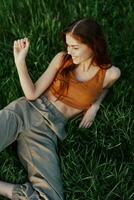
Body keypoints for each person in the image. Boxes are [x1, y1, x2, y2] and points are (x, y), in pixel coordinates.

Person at [0, 17, 121, 200]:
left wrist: (94, 106)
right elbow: (32, 94)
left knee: (51, 198)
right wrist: (20, 62)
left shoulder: (111, 74)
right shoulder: (62, 59)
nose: (69, 51)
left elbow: (103, 88)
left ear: (92, 45)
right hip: (25, 110)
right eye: (67, 45)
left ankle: (6, 189)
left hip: (47, 130)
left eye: (75, 47)